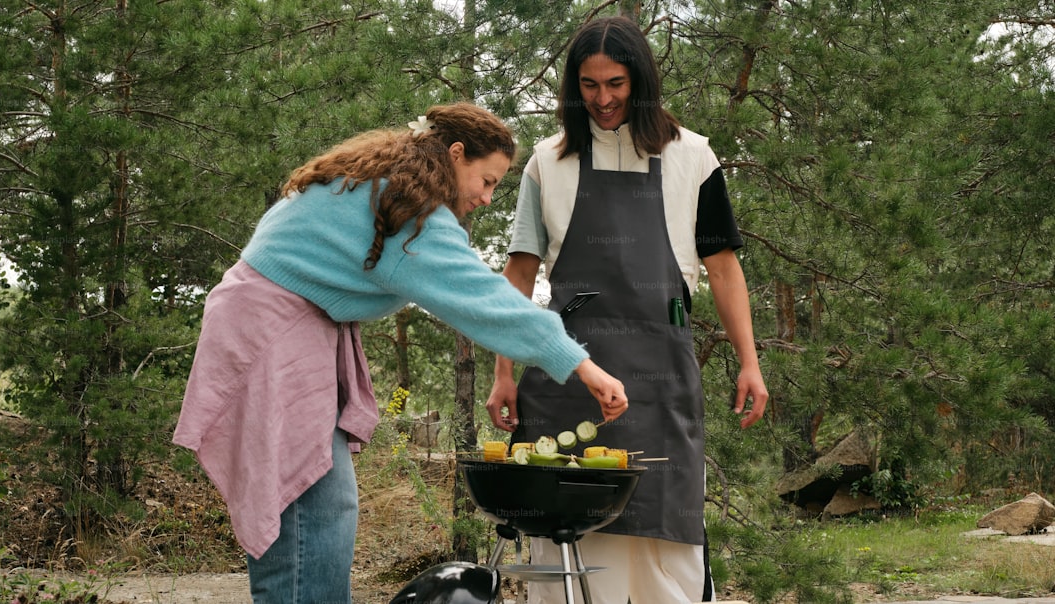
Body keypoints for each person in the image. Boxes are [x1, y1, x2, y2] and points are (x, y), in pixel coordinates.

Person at [172, 102, 629, 604]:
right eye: (487, 180)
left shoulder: (383, 183)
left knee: (324, 501)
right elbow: (487, 300)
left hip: (268, 326)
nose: (487, 197)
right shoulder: (408, 212)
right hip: (270, 335)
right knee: (310, 506)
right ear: (456, 155)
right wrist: (582, 365)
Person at [485, 17, 769, 604]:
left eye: (616, 83)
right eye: (589, 86)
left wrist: (749, 362)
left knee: (665, 535)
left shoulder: (694, 157)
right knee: (570, 542)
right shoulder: (546, 162)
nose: (604, 99)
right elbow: (519, 275)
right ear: (573, 88)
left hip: (660, 380)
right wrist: (503, 371)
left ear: (640, 80)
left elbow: (722, 269)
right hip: (566, 376)